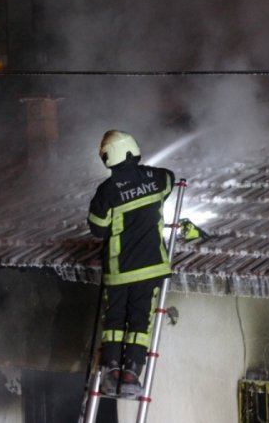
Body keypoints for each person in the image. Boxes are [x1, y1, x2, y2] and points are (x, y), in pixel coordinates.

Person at [87, 130, 175, 397]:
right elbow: (170, 180)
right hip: (150, 267)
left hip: (119, 270)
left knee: (114, 320)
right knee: (140, 321)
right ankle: (131, 375)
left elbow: (98, 229)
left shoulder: (107, 191)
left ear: (107, 158)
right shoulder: (157, 177)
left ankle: (112, 372)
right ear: (132, 150)